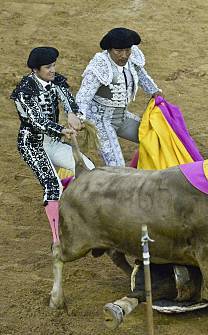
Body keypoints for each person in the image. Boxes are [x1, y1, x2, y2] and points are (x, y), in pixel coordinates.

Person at [11, 46, 95, 246]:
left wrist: (74, 115)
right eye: (48, 67)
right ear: (36, 70)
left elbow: (68, 102)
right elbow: (37, 121)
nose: (53, 70)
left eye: (54, 65)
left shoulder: (56, 81)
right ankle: (57, 238)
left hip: (54, 143)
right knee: (52, 185)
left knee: (89, 169)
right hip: (32, 144)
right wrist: (62, 130)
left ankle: (86, 217)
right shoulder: (25, 92)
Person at [76, 27, 162, 166]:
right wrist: (79, 118)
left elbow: (141, 74)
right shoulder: (99, 66)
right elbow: (83, 97)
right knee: (117, 167)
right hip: (100, 122)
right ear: (109, 50)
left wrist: (154, 91)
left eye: (127, 50)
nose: (124, 55)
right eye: (119, 51)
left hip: (121, 117)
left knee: (155, 138)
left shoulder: (131, 57)